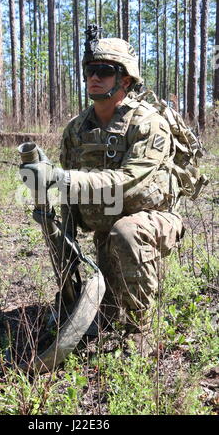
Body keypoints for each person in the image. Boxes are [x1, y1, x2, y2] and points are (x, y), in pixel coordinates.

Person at [20, 27, 185, 356]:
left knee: (127, 232)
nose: (94, 78)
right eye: (89, 71)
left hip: (151, 221)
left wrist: (61, 178)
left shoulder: (148, 124)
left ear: (125, 80)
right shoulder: (77, 129)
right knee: (106, 315)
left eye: (104, 72)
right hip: (105, 230)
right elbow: (67, 196)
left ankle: (142, 329)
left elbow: (127, 179)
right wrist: (62, 243)